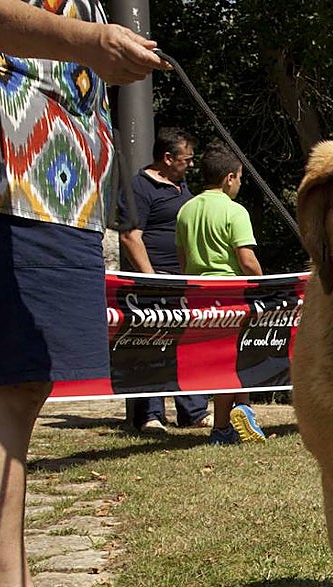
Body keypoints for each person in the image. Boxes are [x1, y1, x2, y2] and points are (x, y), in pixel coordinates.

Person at [0, 0, 167, 587]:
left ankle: (12, 584)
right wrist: (87, 40)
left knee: (23, 386)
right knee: (7, 383)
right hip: (4, 174)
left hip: (53, 180)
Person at [119, 126, 212, 434]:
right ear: (168, 158)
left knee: (187, 345)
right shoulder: (140, 187)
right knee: (153, 345)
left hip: (182, 279)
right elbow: (131, 235)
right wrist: (151, 278)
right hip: (154, 281)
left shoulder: (180, 185)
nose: (192, 165)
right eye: (187, 159)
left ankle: (194, 411)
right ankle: (151, 415)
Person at [174, 141, 268, 445]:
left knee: (219, 361)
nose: (240, 184)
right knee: (231, 362)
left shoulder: (185, 211)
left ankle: (246, 411)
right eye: (240, 178)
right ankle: (222, 427)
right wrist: (265, 287)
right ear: (229, 177)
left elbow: (183, 260)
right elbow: (247, 261)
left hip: (197, 296)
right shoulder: (234, 211)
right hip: (229, 293)